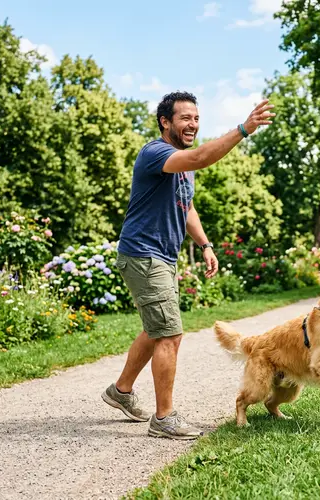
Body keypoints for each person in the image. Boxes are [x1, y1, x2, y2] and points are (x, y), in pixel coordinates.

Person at [101, 91, 275, 440]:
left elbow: (186, 206)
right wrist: (243, 129)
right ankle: (164, 419)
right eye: (185, 118)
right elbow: (199, 158)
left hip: (162, 256)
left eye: (196, 118)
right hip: (144, 254)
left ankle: (120, 391)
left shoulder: (181, 163)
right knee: (169, 333)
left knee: (157, 328)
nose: (193, 124)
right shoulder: (156, 153)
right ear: (166, 122)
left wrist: (205, 244)